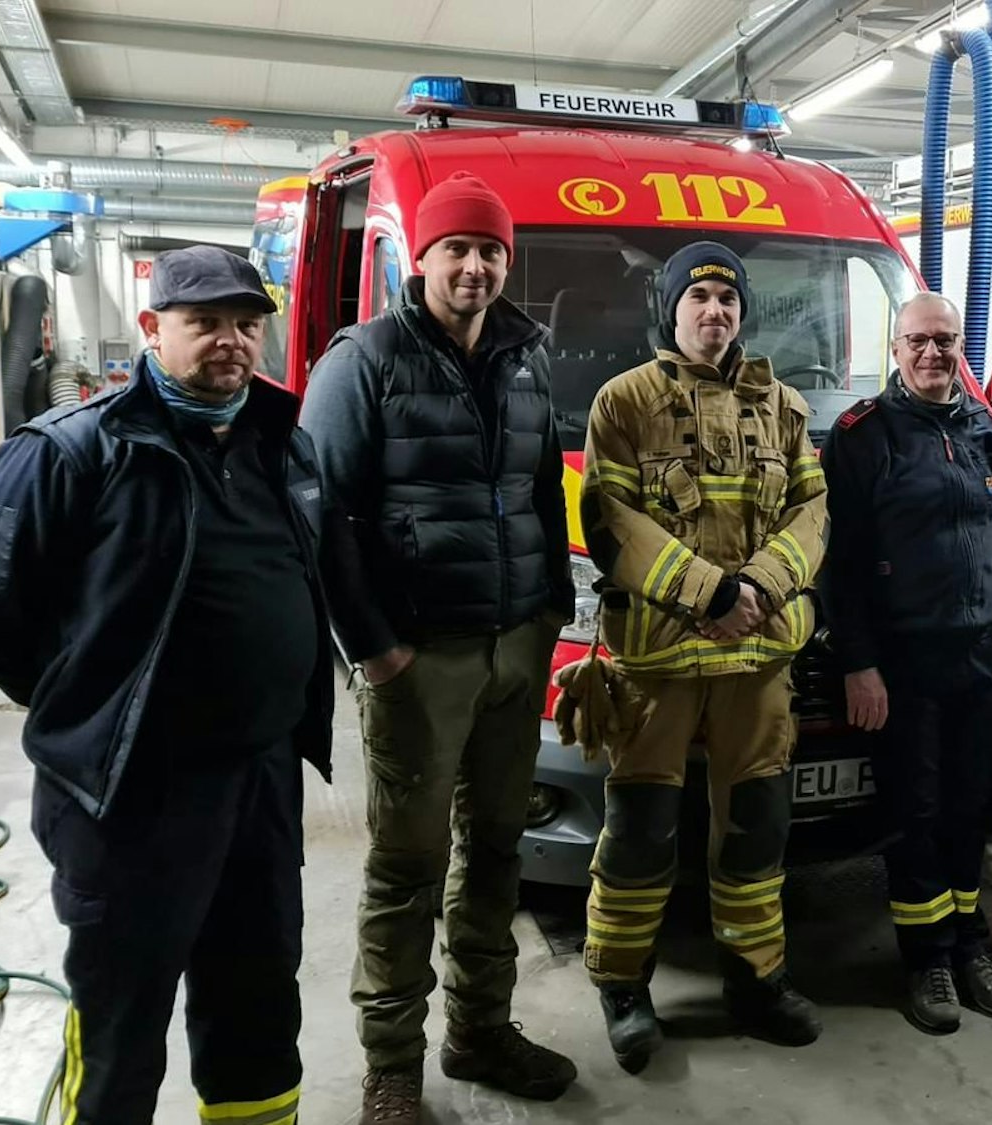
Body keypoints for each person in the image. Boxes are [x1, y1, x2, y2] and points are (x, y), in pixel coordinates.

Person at [0, 246, 332, 1125]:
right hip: (130, 793)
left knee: (258, 1004)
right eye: (205, 323)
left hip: (259, 780)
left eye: (245, 323)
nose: (231, 342)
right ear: (154, 330)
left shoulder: (283, 439)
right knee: (123, 1020)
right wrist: (89, 700)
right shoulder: (69, 451)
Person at [298, 171, 577, 1121]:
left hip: (514, 646)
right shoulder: (364, 359)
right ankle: (391, 1068)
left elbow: (544, 491)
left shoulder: (529, 358)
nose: (474, 265)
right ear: (420, 257)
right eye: (456, 248)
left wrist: (549, 608)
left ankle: (480, 1029)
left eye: (490, 250)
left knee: (497, 847)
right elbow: (322, 512)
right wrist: (372, 646)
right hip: (419, 656)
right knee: (407, 866)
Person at [578, 241, 827, 1072]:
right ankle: (622, 986)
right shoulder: (624, 401)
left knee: (757, 830)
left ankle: (756, 981)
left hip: (758, 665)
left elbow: (811, 510)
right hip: (656, 667)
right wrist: (708, 593)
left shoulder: (786, 407)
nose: (714, 311)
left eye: (728, 297)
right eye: (699, 297)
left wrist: (757, 585)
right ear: (670, 309)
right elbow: (607, 513)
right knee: (642, 831)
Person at [820, 292, 992, 1034]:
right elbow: (838, 566)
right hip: (904, 660)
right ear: (896, 348)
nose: (932, 354)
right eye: (919, 341)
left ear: (960, 347)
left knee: (971, 807)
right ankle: (928, 959)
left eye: (945, 341)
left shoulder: (986, 430)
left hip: (979, 651)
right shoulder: (861, 436)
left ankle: (971, 943)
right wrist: (859, 663)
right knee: (917, 812)